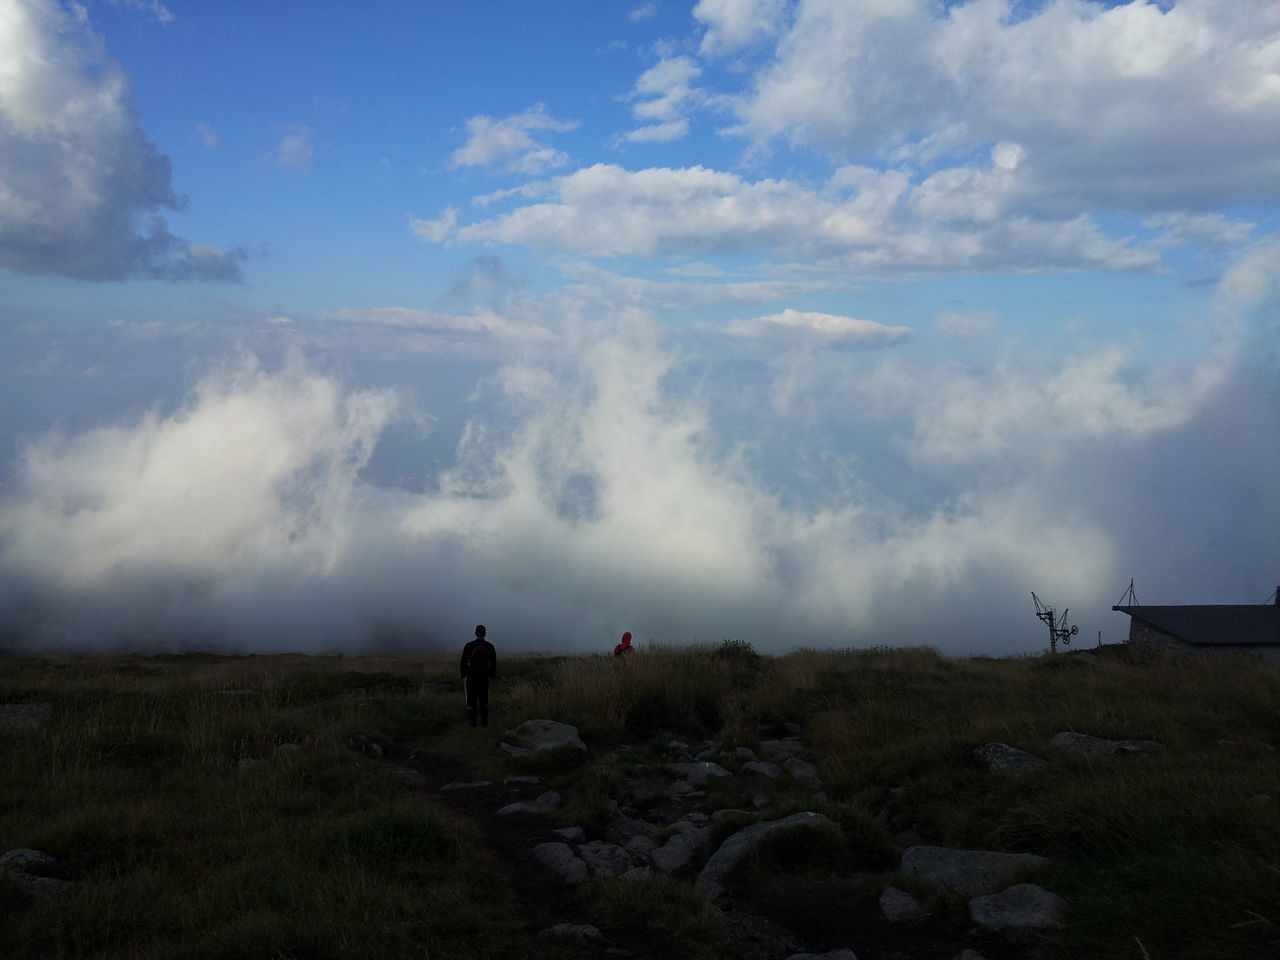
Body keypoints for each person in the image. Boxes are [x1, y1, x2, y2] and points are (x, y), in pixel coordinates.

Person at [460, 624, 497, 727]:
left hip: (471, 677)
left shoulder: (469, 645)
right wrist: (491, 675)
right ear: (485, 633)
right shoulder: (490, 646)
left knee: (471, 699)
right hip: (484, 677)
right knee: (484, 699)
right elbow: (493, 662)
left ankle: (472, 722)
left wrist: (463, 675)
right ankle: (484, 722)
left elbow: (463, 661)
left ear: (475, 633)